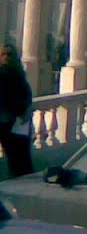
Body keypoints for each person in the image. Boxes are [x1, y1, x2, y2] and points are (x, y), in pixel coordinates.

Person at [0, 44, 34, 177]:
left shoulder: (19, 74)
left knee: (23, 157)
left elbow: (27, 94)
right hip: (7, 121)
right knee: (14, 157)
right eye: (4, 54)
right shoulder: (2, 74)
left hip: (20, 122)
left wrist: (25, 110)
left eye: (10, 54)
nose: (7, 57)